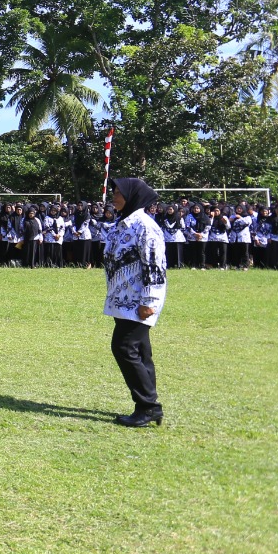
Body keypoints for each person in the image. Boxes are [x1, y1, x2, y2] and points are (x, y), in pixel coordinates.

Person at [101, 178, 168, 427]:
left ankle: (149, 406)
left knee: (124, 347)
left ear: (133, 197)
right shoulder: (122, 224)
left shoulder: (145, 227)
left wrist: (149, 300)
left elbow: (155, 266)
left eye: (119, 193)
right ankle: (147, 406)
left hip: (140, 301)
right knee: (140, 352)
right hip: (123, 299)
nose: (114, 197)